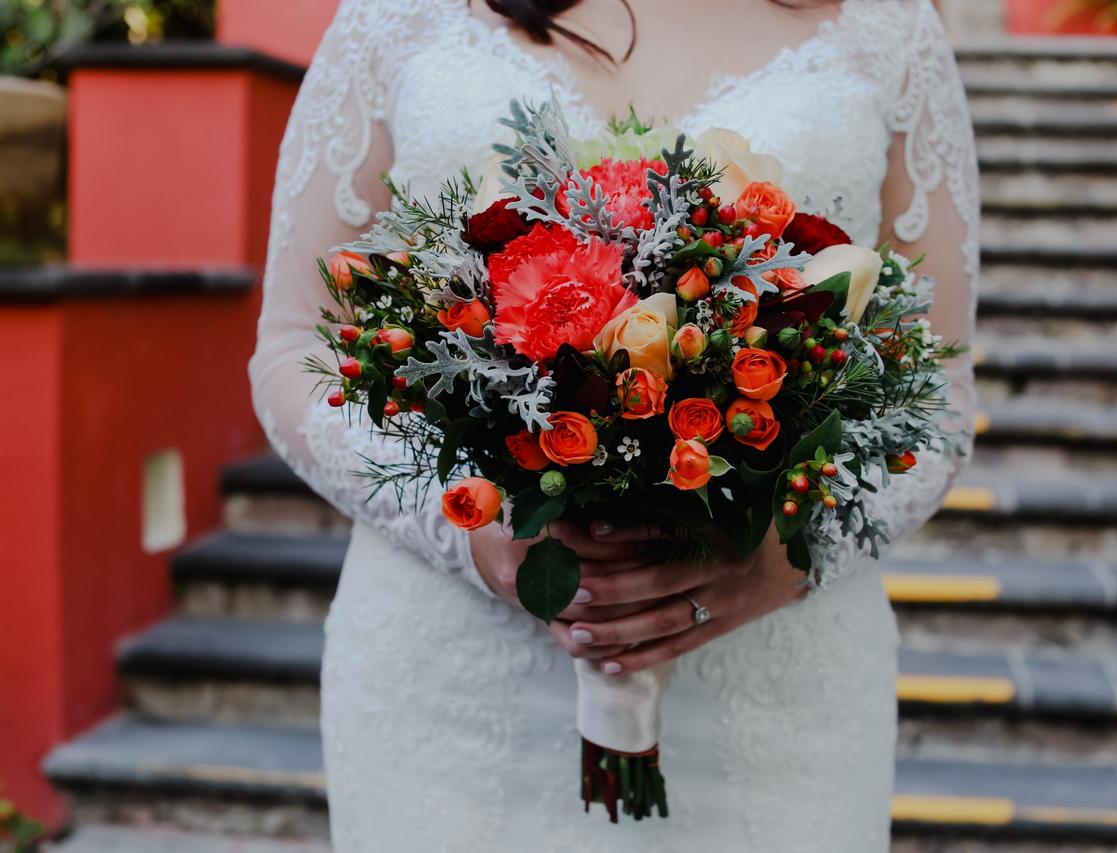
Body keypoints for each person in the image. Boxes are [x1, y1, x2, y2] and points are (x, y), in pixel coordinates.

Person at [248, 0, 978, 849]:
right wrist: (471, 527)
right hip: (451, 691)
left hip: (776, 699)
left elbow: (942, 381)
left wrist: (787, 552)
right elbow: (293, 346)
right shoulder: (396, 15)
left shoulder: (887, 26)